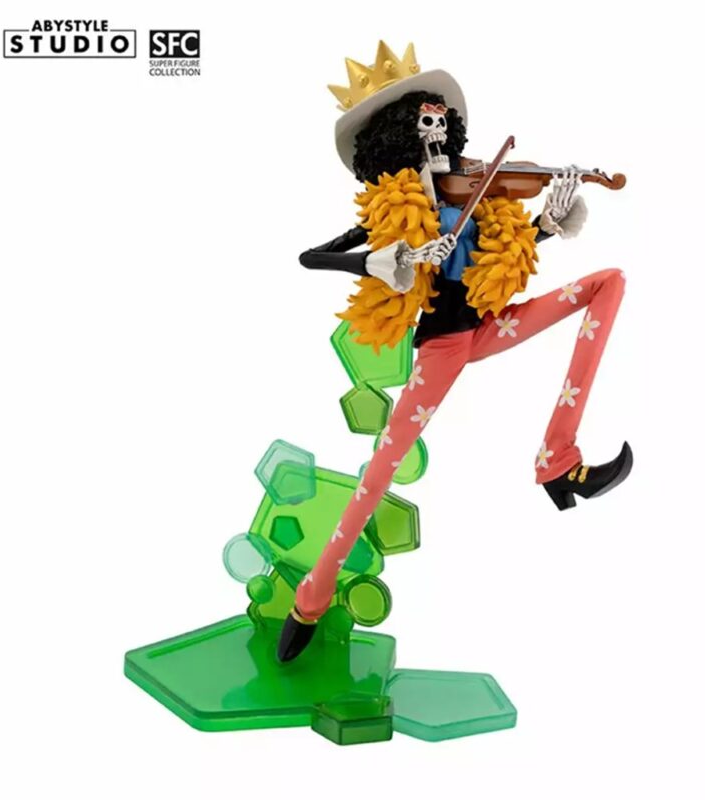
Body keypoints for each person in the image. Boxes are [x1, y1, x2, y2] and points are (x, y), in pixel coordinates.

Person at [278, 41, 632, 662]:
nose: (437, 131)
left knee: (608, 283)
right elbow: (313, 257)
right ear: (398, 134)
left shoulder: (476, 193)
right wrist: (392, 259)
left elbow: (502, 257)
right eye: (425, 121)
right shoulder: (394, 208)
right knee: (381, 470)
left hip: (488, 324)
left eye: (443, 121)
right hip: (442, 344)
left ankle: (558, 457)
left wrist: (545, 224)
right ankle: (312, 594)